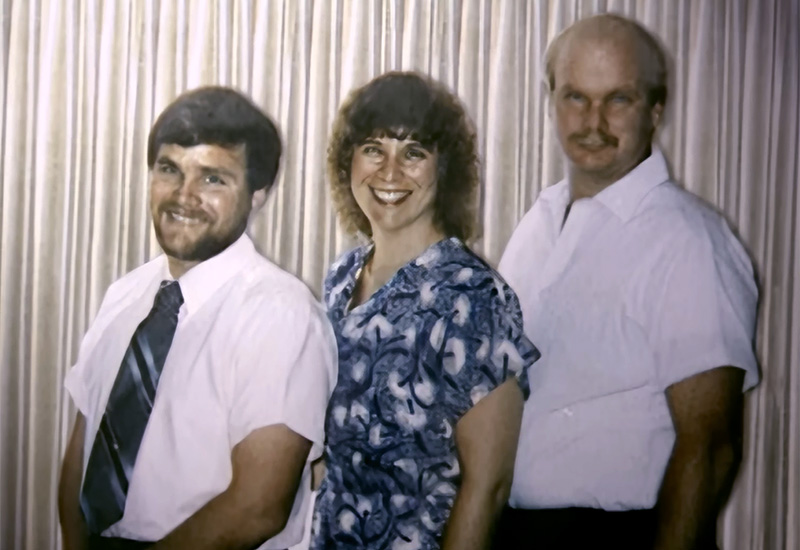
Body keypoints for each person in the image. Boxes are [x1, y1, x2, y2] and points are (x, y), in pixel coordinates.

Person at [495, 13, 760, 550]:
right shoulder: (537, 222)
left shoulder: (688, 240)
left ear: (655, 110)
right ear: (551, 100)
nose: (593, 122)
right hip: (518, 530)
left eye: (618, 100)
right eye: (575, 97)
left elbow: (710, 448)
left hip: (622, 536)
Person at [58, 87, 338, 550]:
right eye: (169, 169)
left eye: (213, 179)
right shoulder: (125, 295)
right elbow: (81, 452)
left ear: (258, 194)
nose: (184, 196)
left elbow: (257, 507)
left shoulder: (282, 314)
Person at [309, 71, 540, 550]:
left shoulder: (473, 297)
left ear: (446, 168)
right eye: (373, 148)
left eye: (414, 152)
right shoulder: (339, 280)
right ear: (346, 161)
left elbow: (488, 486)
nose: (390, 172)